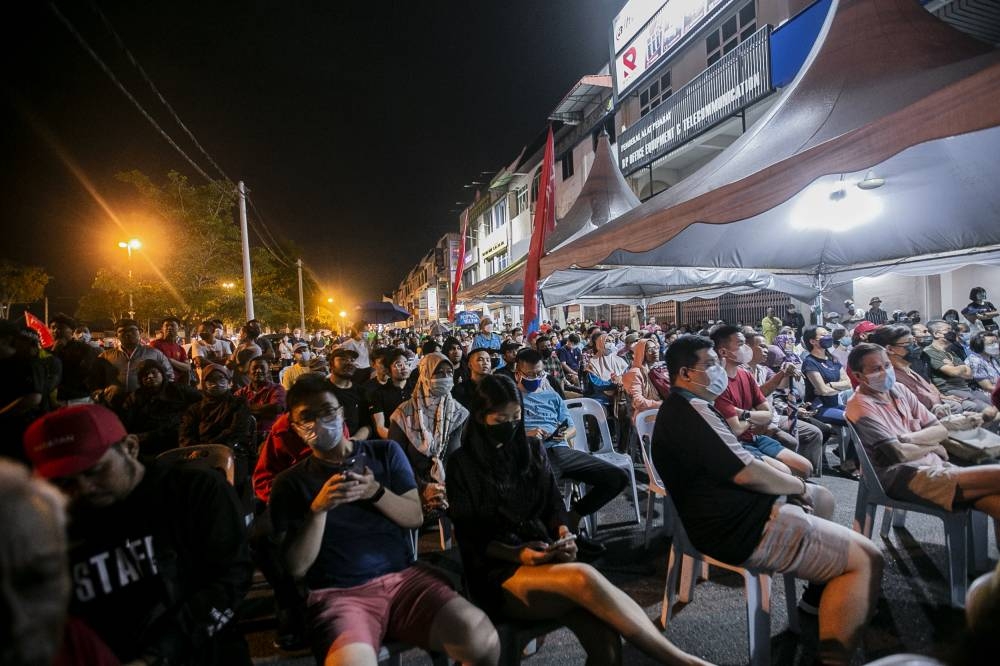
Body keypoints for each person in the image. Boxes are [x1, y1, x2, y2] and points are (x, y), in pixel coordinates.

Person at [446, 375, 708, 666]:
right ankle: (681, 661)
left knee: (605, 639)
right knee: (584, 578)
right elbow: (470, 537)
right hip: (496, 571)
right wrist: (518, 554)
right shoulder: (462, 465)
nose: (510, 425)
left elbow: (554, 504)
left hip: (544, 554)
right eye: (501, 419)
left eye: (516, 418)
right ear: (481, 417)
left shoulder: (531, 451)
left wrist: (563, 533)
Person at [652, 335, 883, 665]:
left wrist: (791, 489)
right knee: (867, 558)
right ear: (686, 373)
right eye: (711, 364)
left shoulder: (690, 407)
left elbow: (741, 458)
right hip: (737, 527)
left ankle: (819, 595)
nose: (719, 369)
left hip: (731, 512)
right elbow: (746, 472)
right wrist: (796, 488)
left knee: (821, 498)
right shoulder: (691, 411)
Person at [267, 376, 500, 666]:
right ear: (294, 426)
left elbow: (413, 517)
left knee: (481, 641)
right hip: (340, 596)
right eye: (308, 417)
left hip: (402, 580)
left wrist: (375, 492)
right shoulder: (290, 483)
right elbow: (296, 567)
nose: (320, 422)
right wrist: (319, 510)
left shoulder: (384, 453)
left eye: (327, 411)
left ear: (341, 412)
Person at [24, 404, 253, 665]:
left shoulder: (193, 492)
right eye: (63, 482)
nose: (83, 488)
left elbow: (230, 578)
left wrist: (156, 655)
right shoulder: (57, 523)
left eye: (94, 471)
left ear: (130, 447)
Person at [845, 343, 1000, 545]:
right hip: (902, 475)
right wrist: (933, 445)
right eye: (876, 369)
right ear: (858, 376)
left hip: (934, 465)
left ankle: (980, 562)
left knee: (995, 500)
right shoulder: (861, 406)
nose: (885, 372)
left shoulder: (899, 389)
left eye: (887, 365)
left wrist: (911, 439)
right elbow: (899, 454)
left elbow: (939, 429)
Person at [515, 348, 626, 555]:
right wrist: (527, 434)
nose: (536, 378)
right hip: (533, 453)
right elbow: (507, 430)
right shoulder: (513, 398)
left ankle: (573, 517)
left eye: (539, 373)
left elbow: (571, 427)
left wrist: (563, 434)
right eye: (530, 375)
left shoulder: (552, 396)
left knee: (617, 478)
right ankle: (562, 537)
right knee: (546, 492)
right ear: (518, 373)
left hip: (561, 450)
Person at [712, 326, 813, 477]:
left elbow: (768, 414)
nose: (746, 349)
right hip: (736, 443)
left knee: (805, 467)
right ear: (723, 352)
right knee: (784, 471)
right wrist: (754, 415)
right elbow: (737, 429)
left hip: (753, 437)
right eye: (741, 344)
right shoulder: (719, 383)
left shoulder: (745, 375)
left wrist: (745, 414)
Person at [388, 353, 468, 518]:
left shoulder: (459, 414)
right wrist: (423, 488)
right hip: (412, 493)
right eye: (439, 373)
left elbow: (467, 458)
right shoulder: (404, 414)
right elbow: (394, 459)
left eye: (449, 373)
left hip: (452, 495)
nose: (445, 377)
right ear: (425, 374)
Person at [747, 335, 825, 474]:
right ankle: (788, 474)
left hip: (774, 416)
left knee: (814, 433)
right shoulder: (742, 371)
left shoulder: (764, 370)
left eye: (766, 347)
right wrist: (782, 373)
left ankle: (808, 474)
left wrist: (787, 374)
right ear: (747, 348)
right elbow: (758, 395)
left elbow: (780, 386)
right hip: (755, 420)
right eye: (762, 346)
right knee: (790, 441)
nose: (766, 350)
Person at [120, 358, 202, 457]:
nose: (150, 376)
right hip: (147, 445)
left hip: (176, 439)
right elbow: (125, 419)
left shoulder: (178, 390)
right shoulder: (136, 397)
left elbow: (201, 400)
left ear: (162, 374)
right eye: (145, 375)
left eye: (153, 372)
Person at [924, 320, 999, 419]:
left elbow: (969, 375)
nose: (952, 332)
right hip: (951, 390)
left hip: (965, 388)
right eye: (948, 329)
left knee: (995, 405)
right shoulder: (930, 352)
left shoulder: (950, 352)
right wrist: (961, 368)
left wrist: (956, 367)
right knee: (987, 410)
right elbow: (953, 372)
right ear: (936, 334)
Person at [179, 363, 252, 450]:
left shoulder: (239, 403)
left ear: (228, 382)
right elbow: (185, 435)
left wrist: (209, 448)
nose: (216, 383)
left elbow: (236, 432)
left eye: (221, 378)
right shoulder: (195, 409)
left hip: (230, 450)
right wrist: (195, 450)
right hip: (198, 452)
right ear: (204, 384)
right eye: (211, 379)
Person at [97, 319, 174, 396]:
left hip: (144, 401)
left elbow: (169, 375)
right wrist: (101, 394)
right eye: (122, 331)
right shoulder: (105, 356)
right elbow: (94, 379)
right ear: (116, 335)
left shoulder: (155, 354)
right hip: (113, 401)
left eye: (132, 330)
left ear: (140, 332)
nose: (128, 334)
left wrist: (158, 393)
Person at [234, 357, 287, 439]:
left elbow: (276, 408)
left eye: (262, 368)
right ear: (248, 372)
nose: (258, 371)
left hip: (271, 435)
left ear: (268, 372)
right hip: (246, 436)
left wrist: (245, 409)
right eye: (254, 368)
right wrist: (264, 409)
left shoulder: (277, 389)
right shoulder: (241, 392)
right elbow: (233, 409)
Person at [329, 347, 373, 439]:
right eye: (343, 359)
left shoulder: (360, 391)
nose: (349, 363)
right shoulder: (320, 390)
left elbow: (367, 425)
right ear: (331, 364)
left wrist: (353, 441)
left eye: (352, 360)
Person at [370, 348, 411, 439]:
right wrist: (399, 440)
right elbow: (380, 427)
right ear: (388, 370)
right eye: (398, 365)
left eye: (406, 363)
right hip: (394, 440)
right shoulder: (379, 394)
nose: (404, 367)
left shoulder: (417, 389)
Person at [622, 338, 663, 413]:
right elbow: (638, 401)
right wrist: (661, 404)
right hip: (645, 412)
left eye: (656, 348)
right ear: (642, 353)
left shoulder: (659, 368)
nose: (655, 351)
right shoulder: (635, 373)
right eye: (650, 350)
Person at [150, 317, 192, 385]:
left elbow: (187, 367)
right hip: (162, 384)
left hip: (178, 384)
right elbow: (154, 364)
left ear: (178, 329)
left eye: (172, 325)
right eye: (166, 325)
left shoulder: (180, 349)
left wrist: (170, 360)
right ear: (162, 329)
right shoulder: (155, 344)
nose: (169, 328)